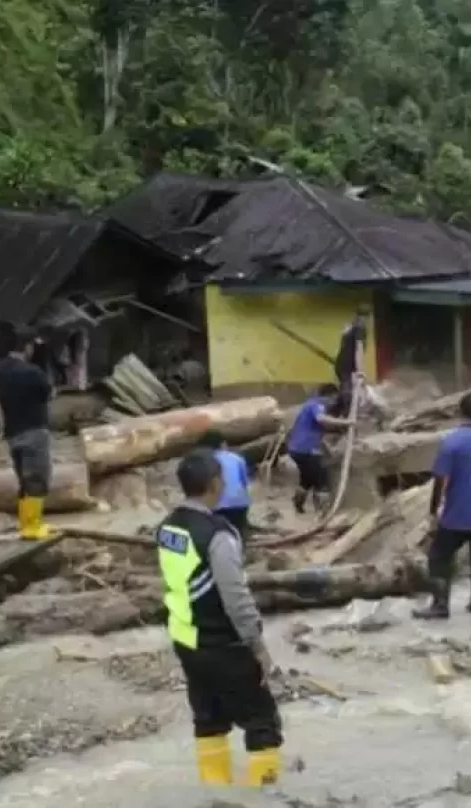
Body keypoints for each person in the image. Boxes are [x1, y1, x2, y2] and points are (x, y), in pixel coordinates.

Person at [157, 449, 283, 786]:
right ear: (214, 484)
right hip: (223, 644)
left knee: (209, 720)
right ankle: (265, 795)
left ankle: (216, 794)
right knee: (262, 723)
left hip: (186, 641)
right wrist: (259, 648)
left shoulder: (168, 528)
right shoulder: (218, 534)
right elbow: (236, 598)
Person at [413, 391, 471, 621]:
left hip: (458, 513)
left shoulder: (452, 442)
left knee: (439, 556)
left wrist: (433, 511)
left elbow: (441, 480)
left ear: (459, 411)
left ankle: (440, 605)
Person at [0, 329, 55, 541]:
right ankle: (33, 526)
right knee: (37, 479)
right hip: (35, 431)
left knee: (23, 480)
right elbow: (49, 392)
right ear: (27, 346)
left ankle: (24, 523)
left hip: (13, 433)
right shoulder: (33, 372)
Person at [286, 383, 353, 514]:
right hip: (306, 449)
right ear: (329, 396)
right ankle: (324, 512)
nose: (333, 403)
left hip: (296, 449)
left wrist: (329, 450)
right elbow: (321, 419)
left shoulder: (309, 404)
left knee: (307, 479)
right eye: (334, 399)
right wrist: (347, 422)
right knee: (322, 481)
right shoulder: (317, 404)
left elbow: (319, 432)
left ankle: (297, 505)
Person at [198, 429, 251, 536]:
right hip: (241, 506)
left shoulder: (206, 461)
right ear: (223, 444)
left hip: (218, 509)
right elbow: (245, 484)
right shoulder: (238, 458)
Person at [332, 305, 369, 416]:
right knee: (347, 394)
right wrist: (360, 370)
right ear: (367, 317)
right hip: (347, 365)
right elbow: (359, 348)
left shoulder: (351, 326)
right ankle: (347, 420)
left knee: (345, 392)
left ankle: (336, 414)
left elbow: (344, 344)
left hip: (341, 363)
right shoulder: (360, 327)